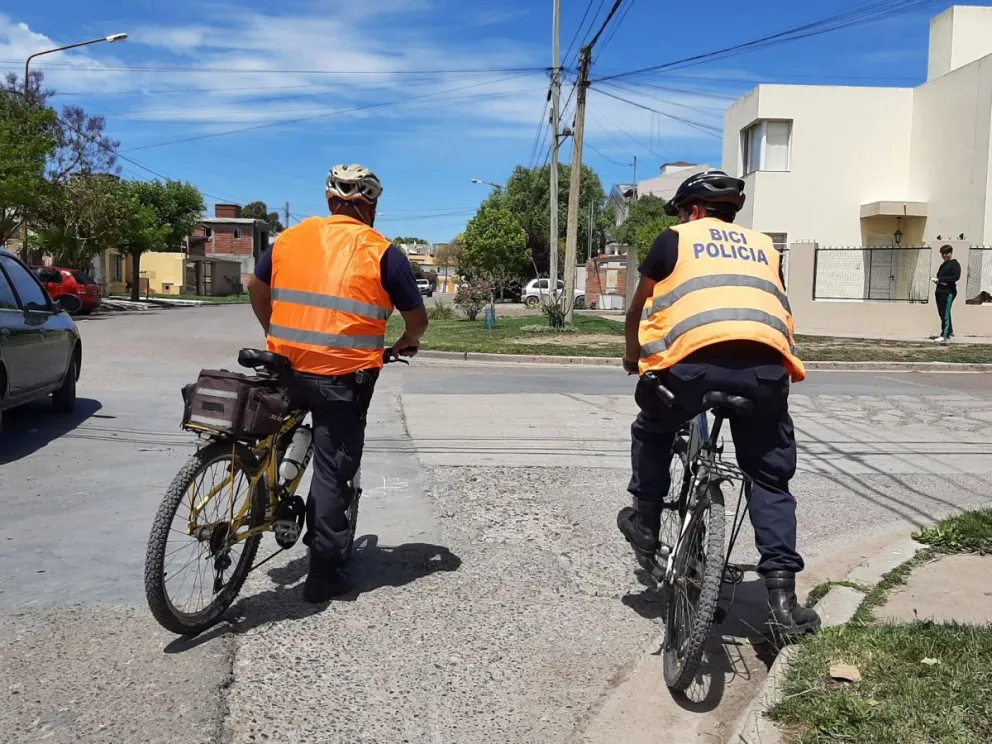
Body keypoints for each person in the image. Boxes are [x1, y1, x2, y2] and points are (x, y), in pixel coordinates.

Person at [616, 170, 820, 638]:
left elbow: (637, 309)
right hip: (766, 371)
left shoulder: (675, 239)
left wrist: (634, 357)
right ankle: (785, 603)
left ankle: (645, 520)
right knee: (769, 477)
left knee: (653, 425)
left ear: (692, 211)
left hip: (692, 367)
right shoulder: (766, 246)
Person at [247, 164, 428, 603]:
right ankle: (324, 573)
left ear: (330, 202)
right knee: (331, 471)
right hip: (342, 380)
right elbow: (417, 319)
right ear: (373, 208)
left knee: (268, 436)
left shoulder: (289, 238)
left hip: (284, 366)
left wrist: (274, 331)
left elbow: (256, 284)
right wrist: (407, 341)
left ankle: (262, 499)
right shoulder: (383, 252)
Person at [930, 245, 961, 342]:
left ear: (951, 253)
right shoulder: (943, 265)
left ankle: (945, 334)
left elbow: (955, 277)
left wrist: (941, 279)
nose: (945, 256)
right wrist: (937, 281)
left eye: (947, 253)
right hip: (940, 291)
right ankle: (950, 331)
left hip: (948, 292)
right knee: (942, 313)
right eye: (943, 254)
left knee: (945, 314)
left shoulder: (954, 264)